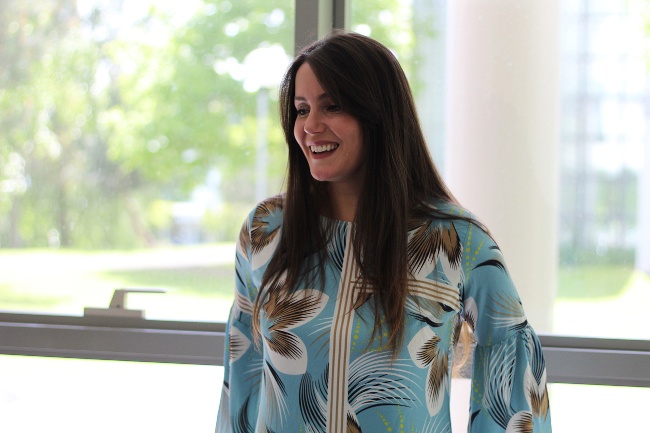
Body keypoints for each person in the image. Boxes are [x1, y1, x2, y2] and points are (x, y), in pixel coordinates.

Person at [216, 31, 551, 433]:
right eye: (302, 110)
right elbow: (242, 373)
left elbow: (513, 380)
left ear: (378, 115)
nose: (310, 126)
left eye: (332, 106)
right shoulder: (266, 230)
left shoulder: (454, 240)